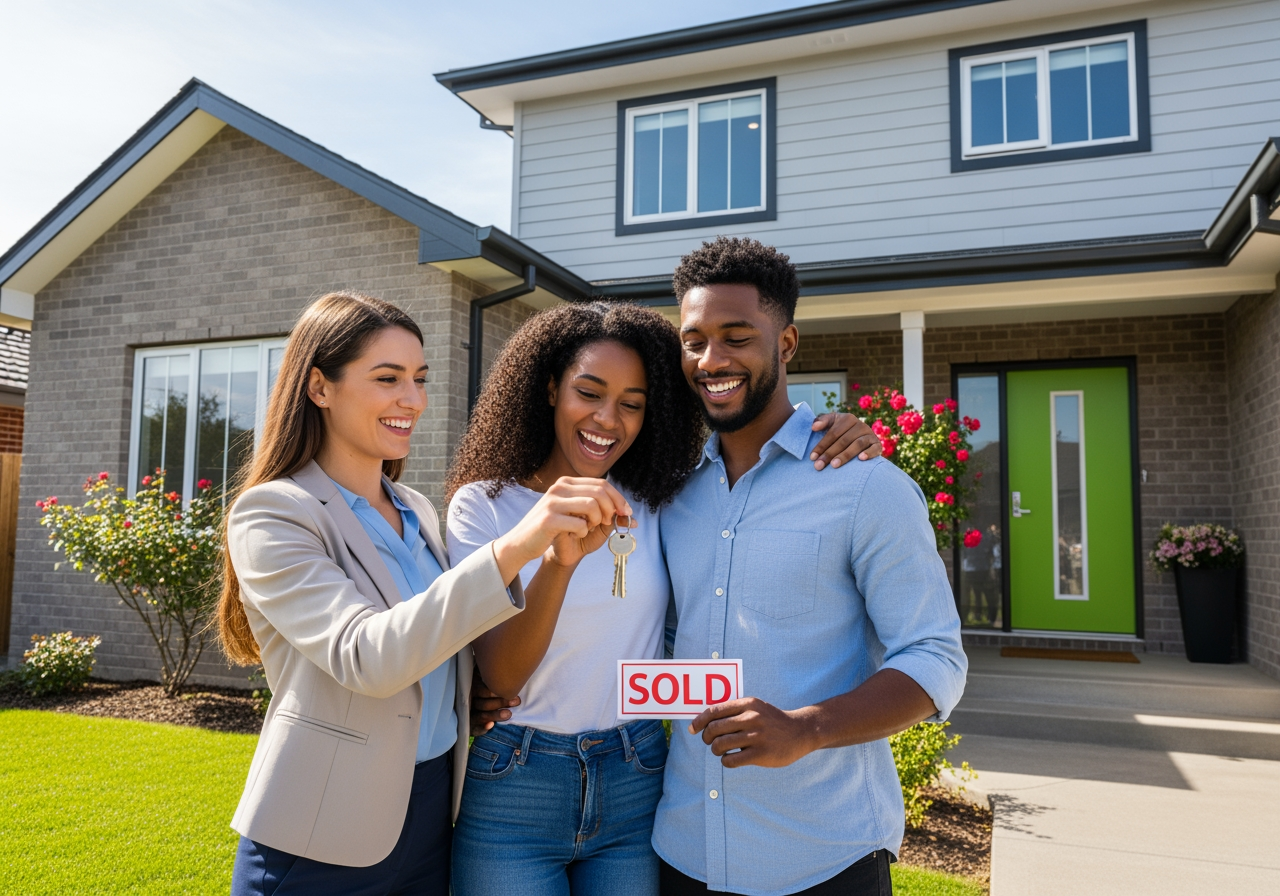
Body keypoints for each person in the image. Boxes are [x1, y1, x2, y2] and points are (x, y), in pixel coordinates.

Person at [446, 301, 879, 896]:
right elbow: (500, 669)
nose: (607, 419)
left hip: (636, 774)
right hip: (517, 780)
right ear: (550, 389)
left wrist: (840, 435)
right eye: (588, 393)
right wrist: (556, 560)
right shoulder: (484, 507)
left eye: (632, 404)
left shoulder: (656, 500)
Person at [218, 291, 629, 895]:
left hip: (434, 811)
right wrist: (518, 544)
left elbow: (431, 637)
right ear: (319, 387)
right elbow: (368, 656)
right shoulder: (274, 513)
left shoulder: (412, 509)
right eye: (387, 378)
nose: (412, 400)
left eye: (419, 378)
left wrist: (470, 690)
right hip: (323, 831)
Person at [654, 237, 969, 896]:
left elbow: (935, 653)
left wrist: (807, 728)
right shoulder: (669, 492)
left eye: (737, 337)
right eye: (694, 341)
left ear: (787, 343)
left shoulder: (864, 486)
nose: (712, 360)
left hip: (824, 860)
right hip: (680, 853)